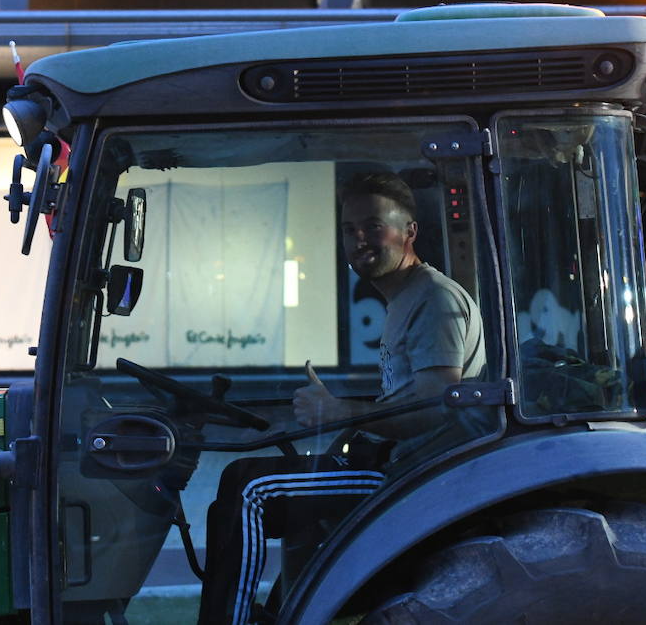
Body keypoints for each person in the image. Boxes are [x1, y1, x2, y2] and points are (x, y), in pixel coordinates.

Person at [198, 172, 484, 625]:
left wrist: (340, 411)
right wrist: (343, 420)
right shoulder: (404, 300)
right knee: (241, 484)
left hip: (415, 477)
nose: (359, 241)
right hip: (401, 466)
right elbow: (407, 397)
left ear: (410, 231)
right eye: (349, 230)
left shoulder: (434, 298)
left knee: (250, 487)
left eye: (374, 226)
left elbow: (436, 404)